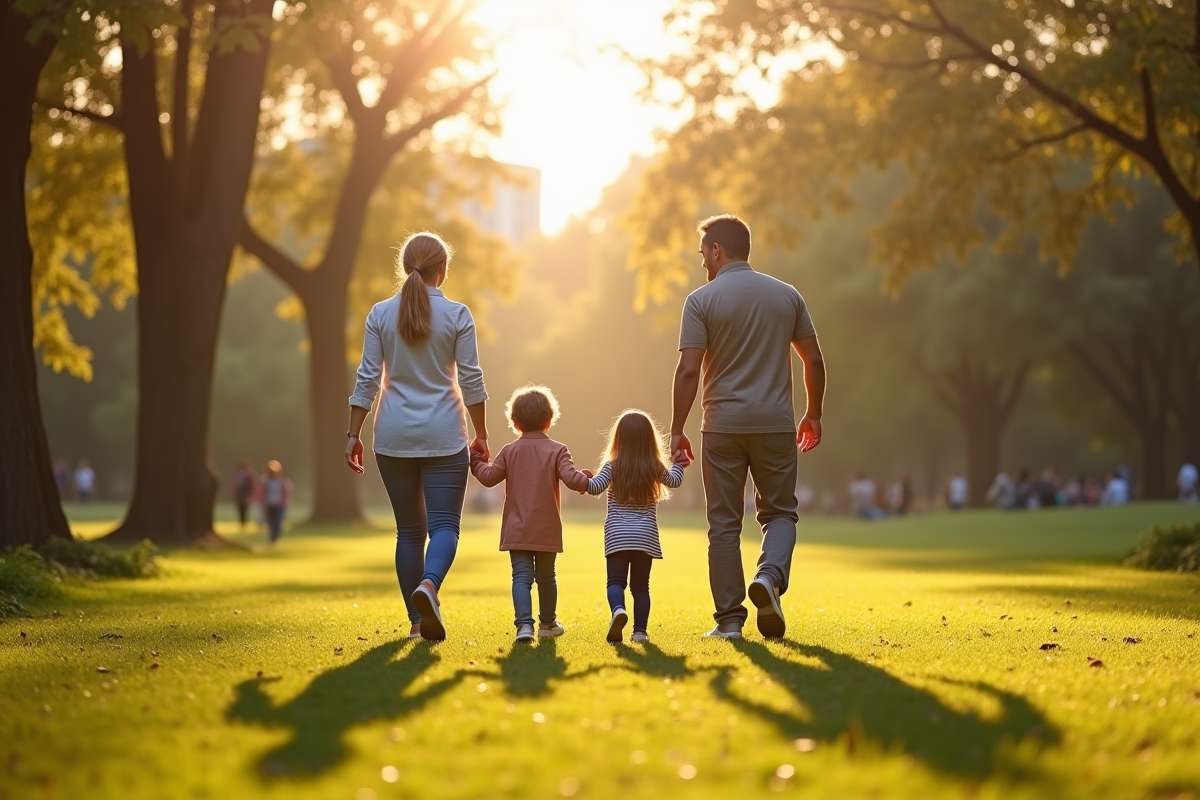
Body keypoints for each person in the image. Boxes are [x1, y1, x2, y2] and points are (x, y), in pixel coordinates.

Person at [669, 214, 826, 640]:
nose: (703, 263)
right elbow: (813, 359)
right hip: (776, 425)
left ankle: (730, 622)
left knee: (723, 523)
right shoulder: (787, 295)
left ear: (717, 250)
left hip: (721, 426)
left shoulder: (700, 301)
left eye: (704, 253)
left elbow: (688, 370)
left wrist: (676, 428)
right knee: (779, 513)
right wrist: (812, 414)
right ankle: (770, 578)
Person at [346, 232, 489, 642]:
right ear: (442, 271)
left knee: (409, 531)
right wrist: (481, 435)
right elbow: (472, 381)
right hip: (445, 434)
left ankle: (416, 621)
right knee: (444, 526)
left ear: (405, 267)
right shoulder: (458, 315)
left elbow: (367, 378)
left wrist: (352, 433)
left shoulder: (379, 313)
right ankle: (429, 585)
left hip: (392, 437)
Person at [469, 386, 591, 643]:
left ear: (515, 423)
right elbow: (572, 480)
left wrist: (475, 459)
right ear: (549, 421)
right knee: (547, 577)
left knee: (521, 577)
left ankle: (524, 626)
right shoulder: (559, 450)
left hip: (517, 528)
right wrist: (586, 479)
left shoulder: (509, 451)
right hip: (546, 528)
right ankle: (547, 624)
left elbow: (489, 477)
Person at [585, 410, 689, 644]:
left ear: (618, 438)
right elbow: (674, 480)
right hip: (645, 537)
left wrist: (581, 480)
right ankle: (640, 631)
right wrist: (680, 464)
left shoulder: (612, 466)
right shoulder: (654, 465)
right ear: (649, 439)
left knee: (615, 582)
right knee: (641, 588)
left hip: (617, 536)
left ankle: (618, 610)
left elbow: (594, 487)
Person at [260, 460, 292, 544]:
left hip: (279, 505)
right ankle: (271, 538)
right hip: (270, 504)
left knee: (278, 522)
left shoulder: (282, 482)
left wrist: (284, 503)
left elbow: (286, 494)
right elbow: (263, 494)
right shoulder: (266, 482)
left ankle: (275, 538)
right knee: (271, 522)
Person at [232, 459, 256, 528]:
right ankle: (242, 522)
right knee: (240, 508)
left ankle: (244, 523)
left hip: (245, 494)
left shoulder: (248, 476)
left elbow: (251, 485)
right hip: (240, 494)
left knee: (245, 509)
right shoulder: (237, 475)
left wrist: (250, 493)